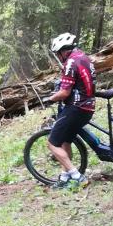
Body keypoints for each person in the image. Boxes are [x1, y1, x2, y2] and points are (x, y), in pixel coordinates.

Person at [43, 32, 96, 188]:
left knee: (52, 144)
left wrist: (50, 98)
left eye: (58, 54)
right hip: (88, 106)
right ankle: (65, 177)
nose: (58, 57)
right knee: (66, 141)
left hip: (76, 108)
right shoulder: (84, 58)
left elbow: (65, 92)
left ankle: (77, 177)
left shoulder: (70, 63)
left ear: (63, 51)